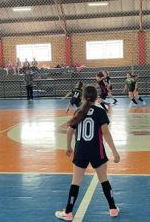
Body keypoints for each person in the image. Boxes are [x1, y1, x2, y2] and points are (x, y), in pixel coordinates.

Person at [55, 85, 120, 221]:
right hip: (97, 151)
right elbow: (106, 133)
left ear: (83, 97)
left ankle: (68, 212)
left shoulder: (79, 111)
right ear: (96, 98)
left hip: (81, 151)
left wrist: (68, 147)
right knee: (104, 180)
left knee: (76, 182)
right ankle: (113, 208)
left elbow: (70, 131)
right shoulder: (100, 112)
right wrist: (115, 152)